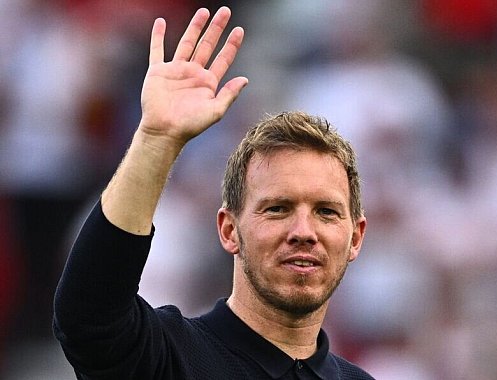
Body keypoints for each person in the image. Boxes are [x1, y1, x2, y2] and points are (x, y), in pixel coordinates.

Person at [52, 7, 373, 379]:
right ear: (228, 229)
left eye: (326, 212)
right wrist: (157, 140)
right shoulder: (167, 358)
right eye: (278, 208)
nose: (303, 230)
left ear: (355, 237)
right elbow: (88, 316)